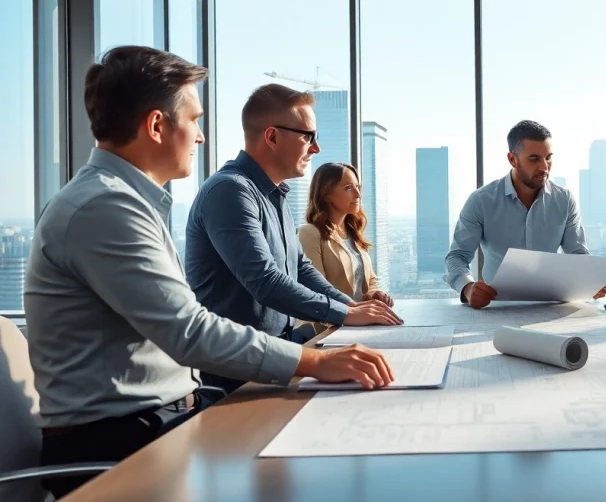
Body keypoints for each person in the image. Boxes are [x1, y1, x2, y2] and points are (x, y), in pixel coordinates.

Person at [23, 47, 393, 499]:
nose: (201, 137)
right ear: (158, 126)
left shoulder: (126, 201)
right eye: (195, 120)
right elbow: (189, 330)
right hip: (124, 443)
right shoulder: (105, 207)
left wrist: (343, 317)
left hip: (164, 418)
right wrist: (316, 362)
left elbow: (288, 271)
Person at [185, 84, 401, 396]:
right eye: (308, 136)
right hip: (240, 371)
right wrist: (345, 313)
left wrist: (352, 305)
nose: (316, 149)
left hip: (281, 349)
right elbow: (265, 281)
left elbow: (300, 268)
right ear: (272, 137)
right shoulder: (230, 191)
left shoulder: (275, 195)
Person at [444, 120, 606, 308]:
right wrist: (467, 288)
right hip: (497, 308)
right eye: (534, 159)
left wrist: (589, 280)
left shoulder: (564, 200)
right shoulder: (480, 201)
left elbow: (577, 253)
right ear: (512, 159)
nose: (544, 167)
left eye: (548, 157)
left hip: (552, 308)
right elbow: (457, 256)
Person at [298, 162, 393, 333]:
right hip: (328, 329)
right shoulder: (310, 233)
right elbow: (315, 289)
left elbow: (370, 279)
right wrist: (354, 310)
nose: (358, 194)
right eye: (348, 188)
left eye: (358, 187)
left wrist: (373, 294)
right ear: (326, 194)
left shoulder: (352, 233)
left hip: (359, 325)